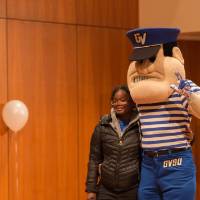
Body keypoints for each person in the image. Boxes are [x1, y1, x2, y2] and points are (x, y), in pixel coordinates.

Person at [126, 28, 200, 200]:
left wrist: (191, 96)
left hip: (176, 160)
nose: (144, 67)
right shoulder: (141, 93)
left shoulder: (183, 86)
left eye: (151, 58)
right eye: (140, 60)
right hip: (148, 163)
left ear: (175, 55)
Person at [86, 85, 140, 200]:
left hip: (132, 189)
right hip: (106, 190)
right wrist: (91, 189)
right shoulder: (102, 126)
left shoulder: (140, 127)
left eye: (123, 100)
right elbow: (94, 159)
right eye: (115, 101)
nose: (118, 103)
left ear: (131, 102)